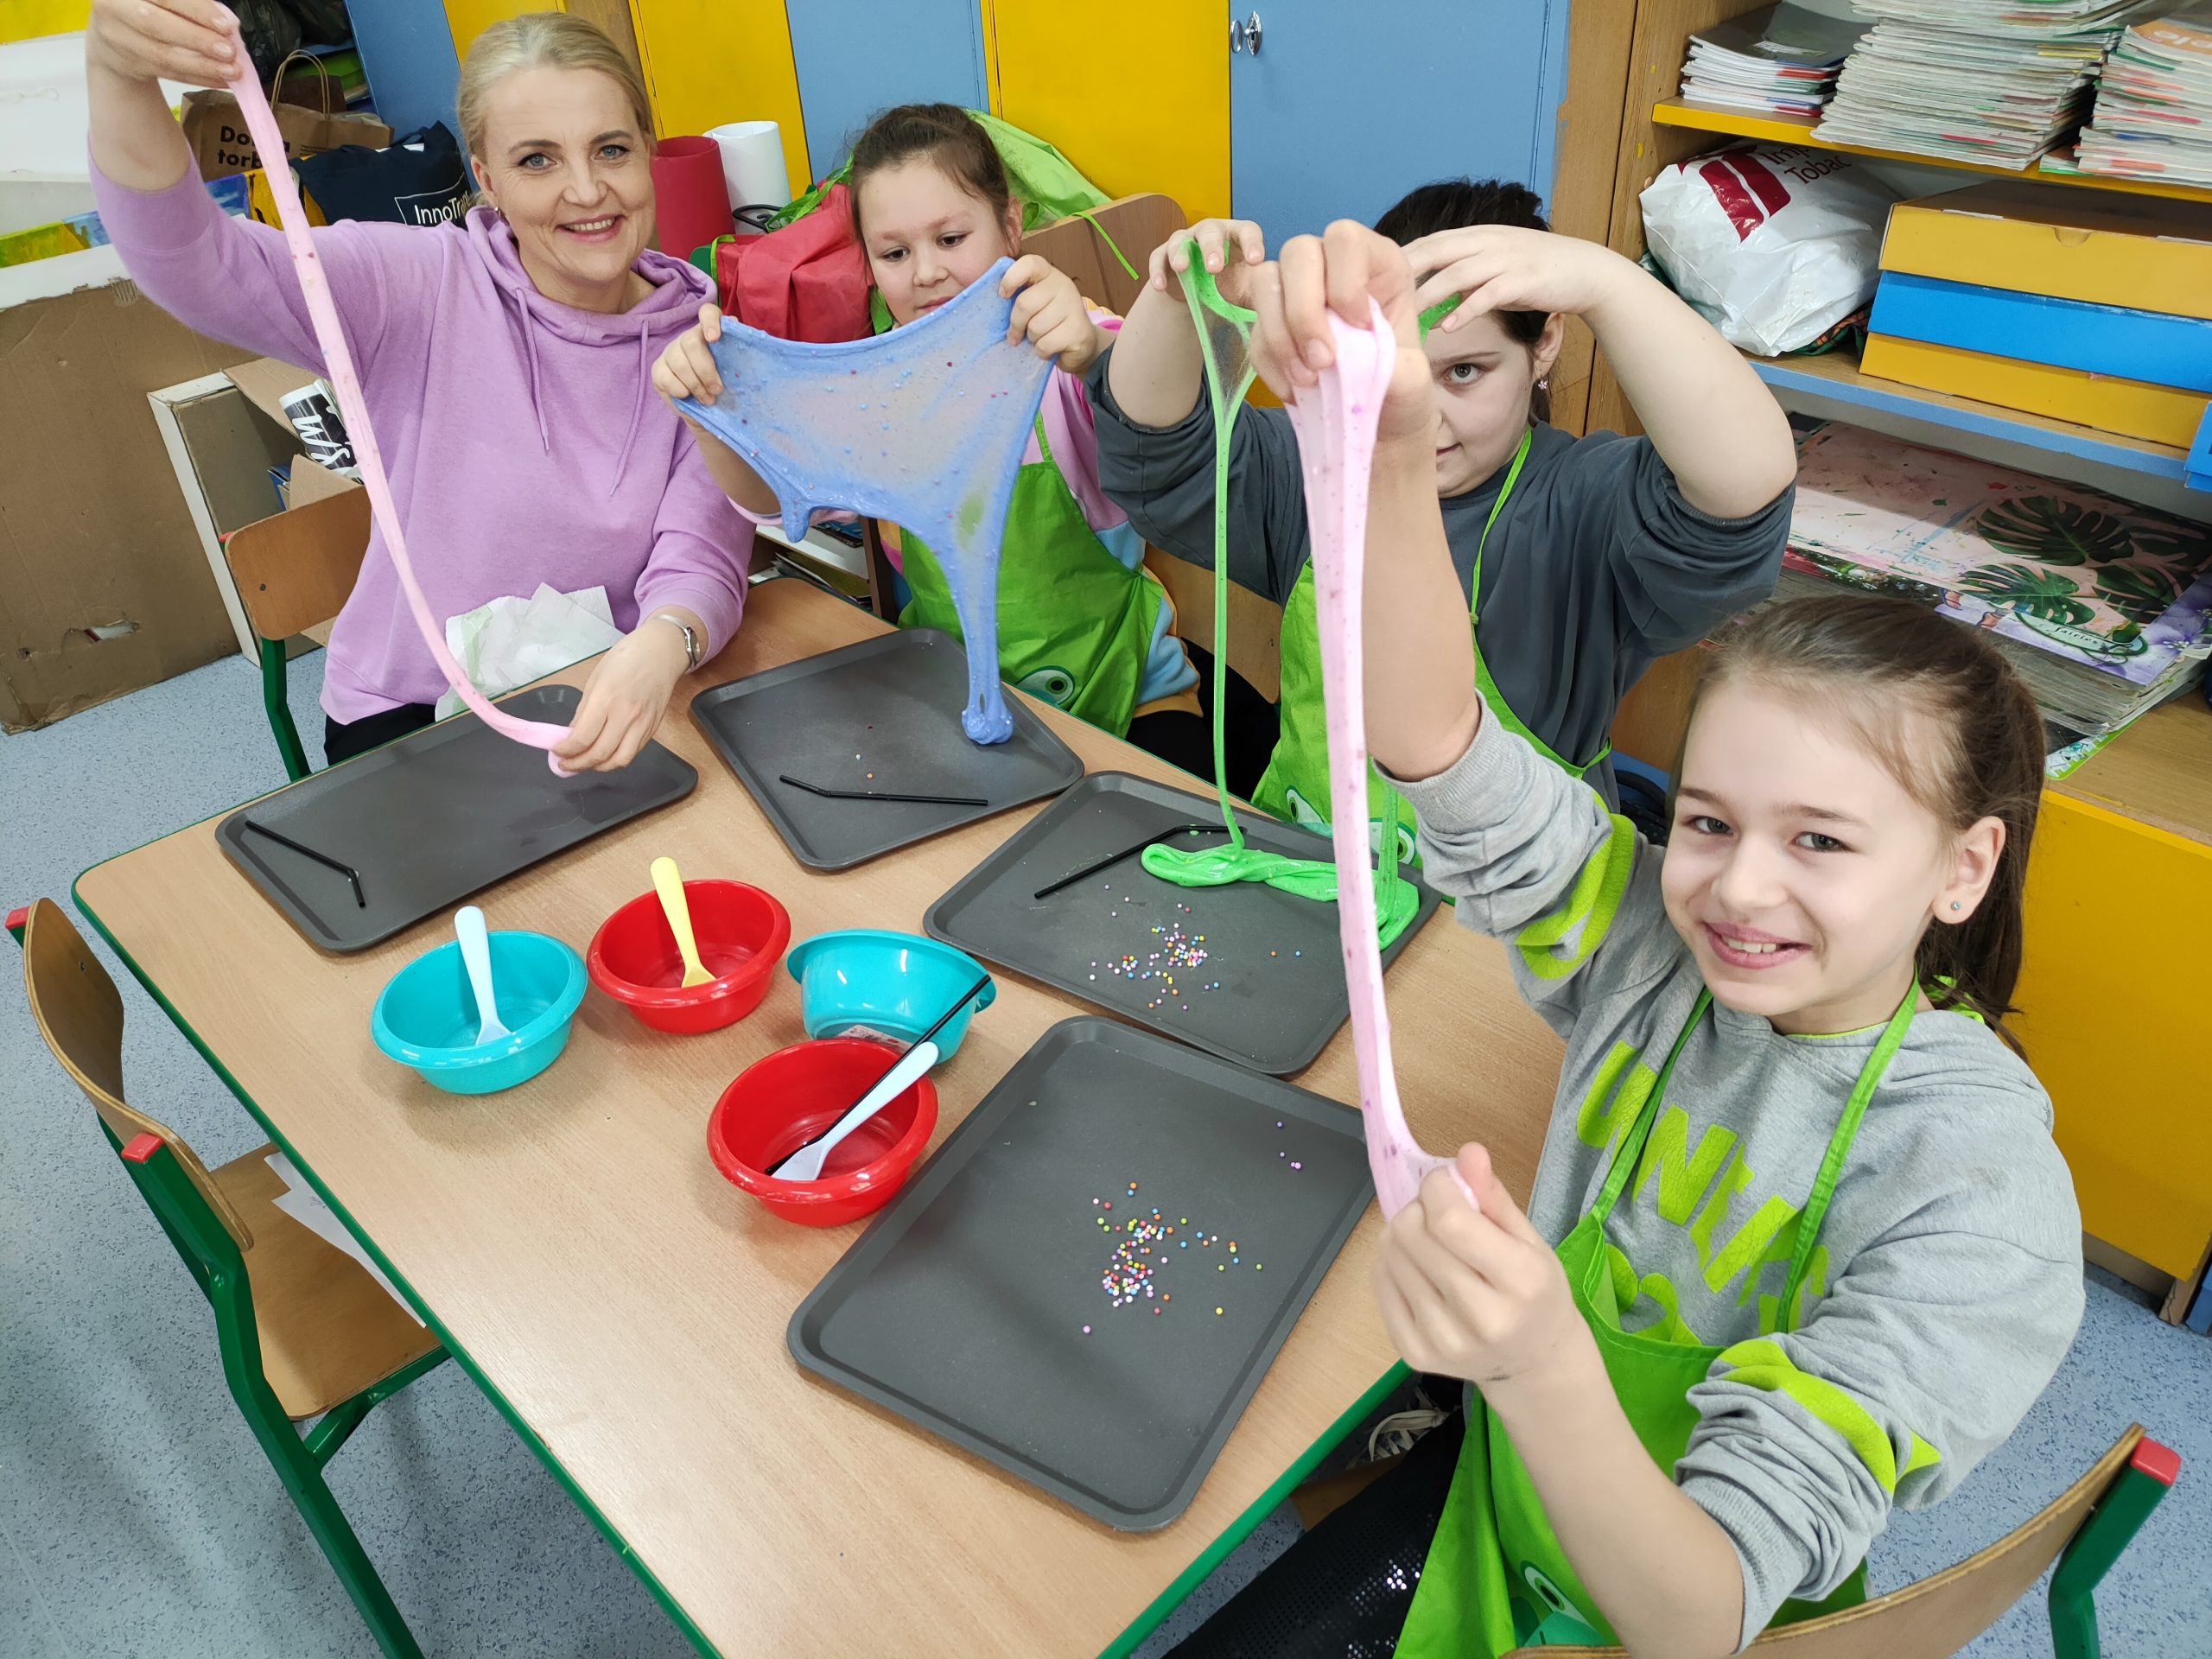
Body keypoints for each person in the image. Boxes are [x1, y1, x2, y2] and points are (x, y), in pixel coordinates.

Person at [1169, 227, 2083, 1658]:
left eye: (1822, 842)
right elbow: (1436, 739)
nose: (1737, 889)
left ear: (1964, 869)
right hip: (1504, 1497)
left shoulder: (1979, 1195)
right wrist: (1392, 450)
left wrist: (1534, 1360)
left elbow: (1699, 1616)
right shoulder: (1654, 951)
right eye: (1708, 821)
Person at [86, 3, 752, 769]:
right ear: (487, 178)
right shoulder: (417, 285)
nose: (586, 190)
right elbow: (200, 266)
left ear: (647, 154)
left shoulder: (700, 345)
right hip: (411, 713)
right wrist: (117, 75)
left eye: (611, 149)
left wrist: (665, 641)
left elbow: (702, 553)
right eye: (538, 160)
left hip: (601, 693)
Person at [1094, 179, 1796, 844]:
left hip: (1507, 913)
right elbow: (1156, 454)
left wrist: (1607, 283)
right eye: (1385, 366)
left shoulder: (1585, 506)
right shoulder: (1318, 466)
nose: (1420, 415)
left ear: (1544, 344)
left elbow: (1742, 491)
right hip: (1308, 871)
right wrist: (1180, 298)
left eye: (1464, 372)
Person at [656, 104, 1222, 761]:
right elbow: (771, 498)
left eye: (951, 239)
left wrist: (1094, 350)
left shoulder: (1069, 348)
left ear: (1011, 225)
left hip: (1129, 701)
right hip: (954, 698)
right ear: (869, 265)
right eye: (895, 253)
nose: (925, 272)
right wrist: (711, 412)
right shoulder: (875, 395)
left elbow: (1165, 416)